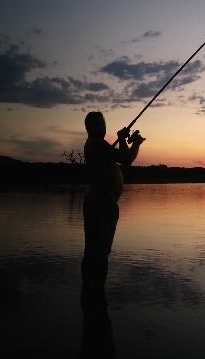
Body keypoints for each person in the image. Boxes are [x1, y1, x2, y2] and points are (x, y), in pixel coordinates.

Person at [81, 111, 145, 293]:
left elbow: (122, 161)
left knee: (94, 250)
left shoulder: (98, 145)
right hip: (101, 204)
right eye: (95, 125)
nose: (100, 128)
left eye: (102, 124)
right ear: (88, 128)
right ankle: (97, 293)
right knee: (100, 252)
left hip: (101, 203)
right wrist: (137, 143)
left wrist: (122, 139)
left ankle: (89, 294)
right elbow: (127, 159)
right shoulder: (97, 144)